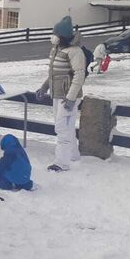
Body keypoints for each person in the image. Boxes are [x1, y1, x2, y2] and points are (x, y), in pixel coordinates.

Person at [35, 15, 87, 172]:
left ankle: (61, 162)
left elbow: (79, 75)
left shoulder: (75, 51)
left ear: (62, 36)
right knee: (67, 127)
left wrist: (71, 98)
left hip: (67, 97)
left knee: (62, 128)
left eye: (55, 34)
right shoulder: (57, 50)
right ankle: (73, 155)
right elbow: (54, 73)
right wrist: (44, 87)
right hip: (57, 95)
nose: (53, 36)